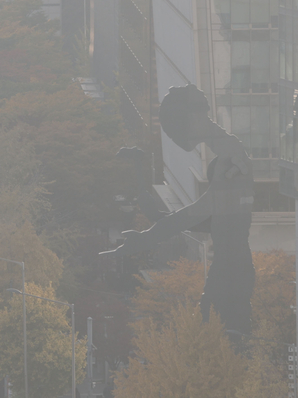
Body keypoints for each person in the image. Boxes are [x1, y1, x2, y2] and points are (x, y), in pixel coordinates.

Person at [100, 83, 254, 337]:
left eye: (175, 129)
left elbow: (203, 210)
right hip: (229, 268)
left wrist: (149, 236)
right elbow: (216, 221)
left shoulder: (231, 156)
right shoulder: (226, 153)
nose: (174, 138)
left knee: (218, 339)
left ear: (193, 117)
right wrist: (159, 218)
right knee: (211, 337)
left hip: (232, 273)